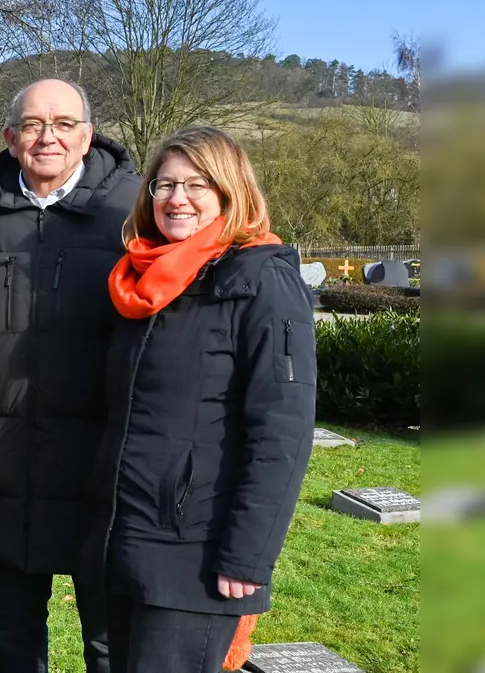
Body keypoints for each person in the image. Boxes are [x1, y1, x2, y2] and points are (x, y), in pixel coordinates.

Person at [83, 126, 316, 673]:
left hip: (200, 550)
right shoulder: (144, 283)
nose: (177, 199)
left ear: (230, 191)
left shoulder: (262, 282)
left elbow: (280, 432)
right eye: (164, 185)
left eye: (196, 184)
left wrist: (247, 557)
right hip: (126, 536)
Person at [0, 79, 140, 673]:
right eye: (32, 124)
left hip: (99, 460)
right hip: (7, 459)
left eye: (62, 123)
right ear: (10, 138)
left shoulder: (132, 213)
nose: (47, 136)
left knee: (107, 639)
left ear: (87, 135)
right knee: (14, 630)